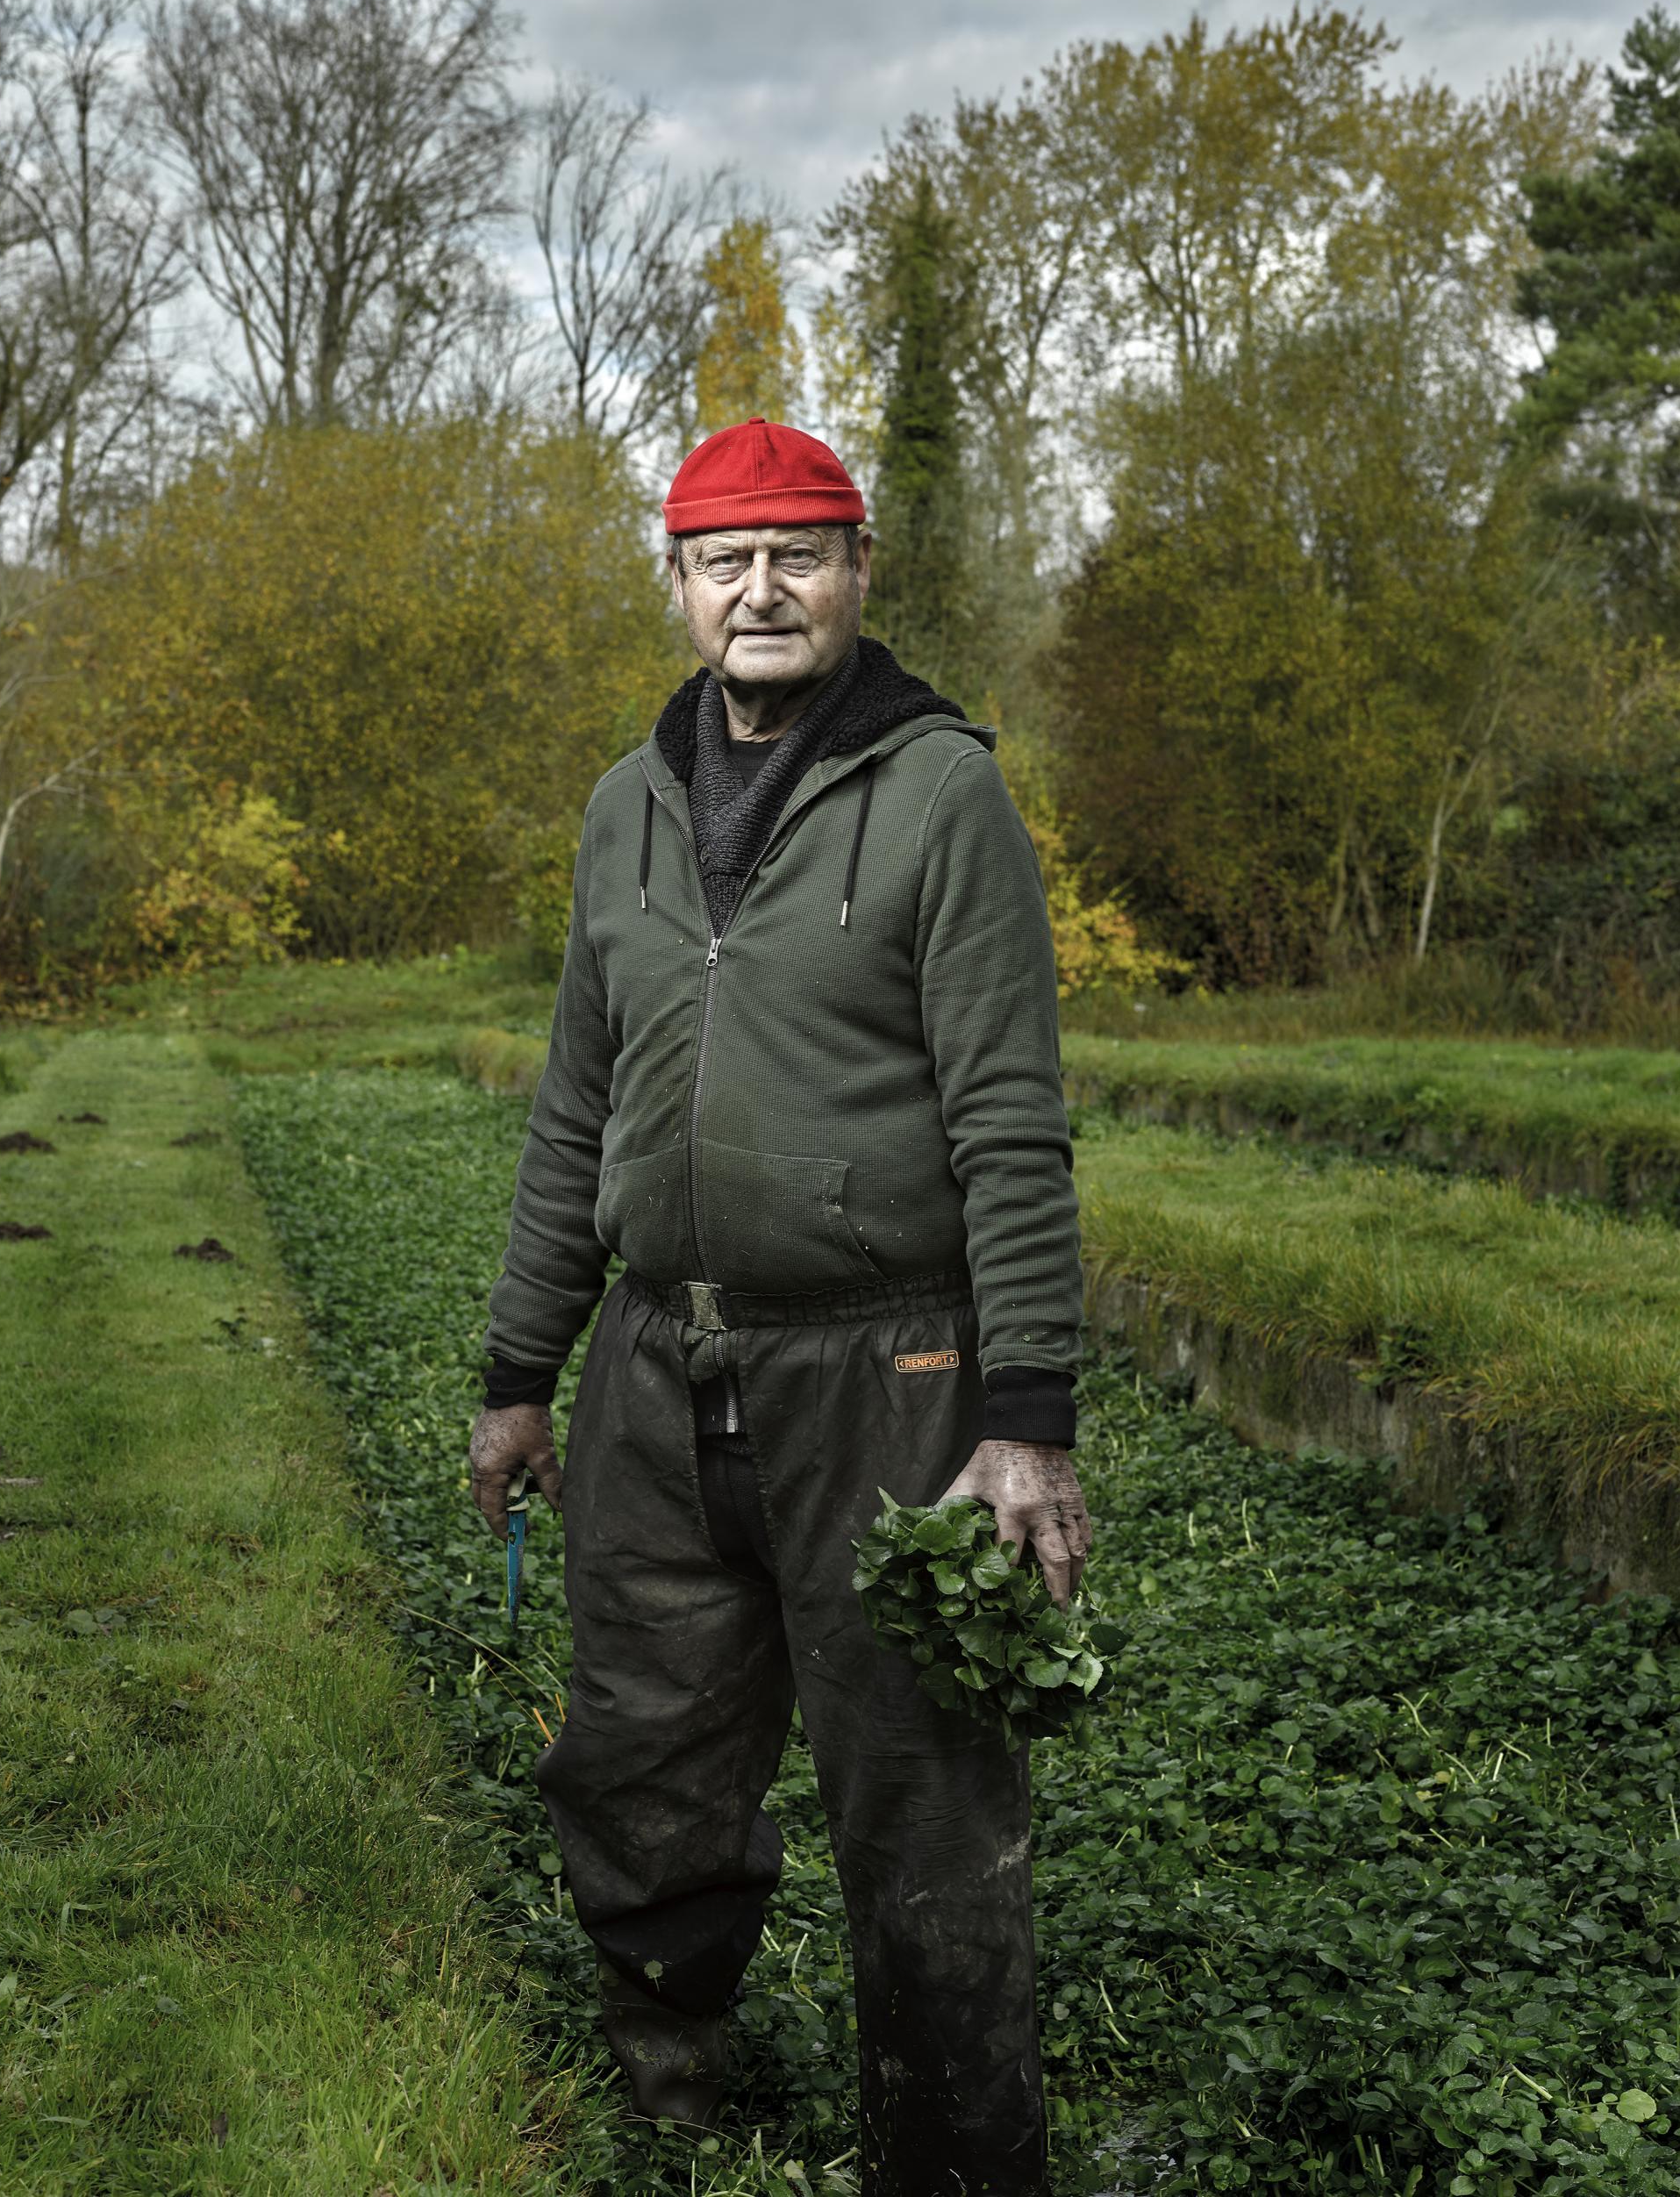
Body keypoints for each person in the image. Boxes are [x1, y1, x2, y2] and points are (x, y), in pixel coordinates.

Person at [468, 418, 1090, 2197]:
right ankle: (670, 2089)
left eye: (796, 553)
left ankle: (951, 2157)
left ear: (857, 570)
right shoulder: (625, 806)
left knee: (917, 1783)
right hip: (653, 1361)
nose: (760, 589)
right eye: (723, 559)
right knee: (641, 1747)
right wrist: (520, 1371)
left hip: (885, 1364)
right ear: (677, 582)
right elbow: (574, 1110)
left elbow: (1008, 1119)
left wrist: (1026, 1419)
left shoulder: (942, 795)